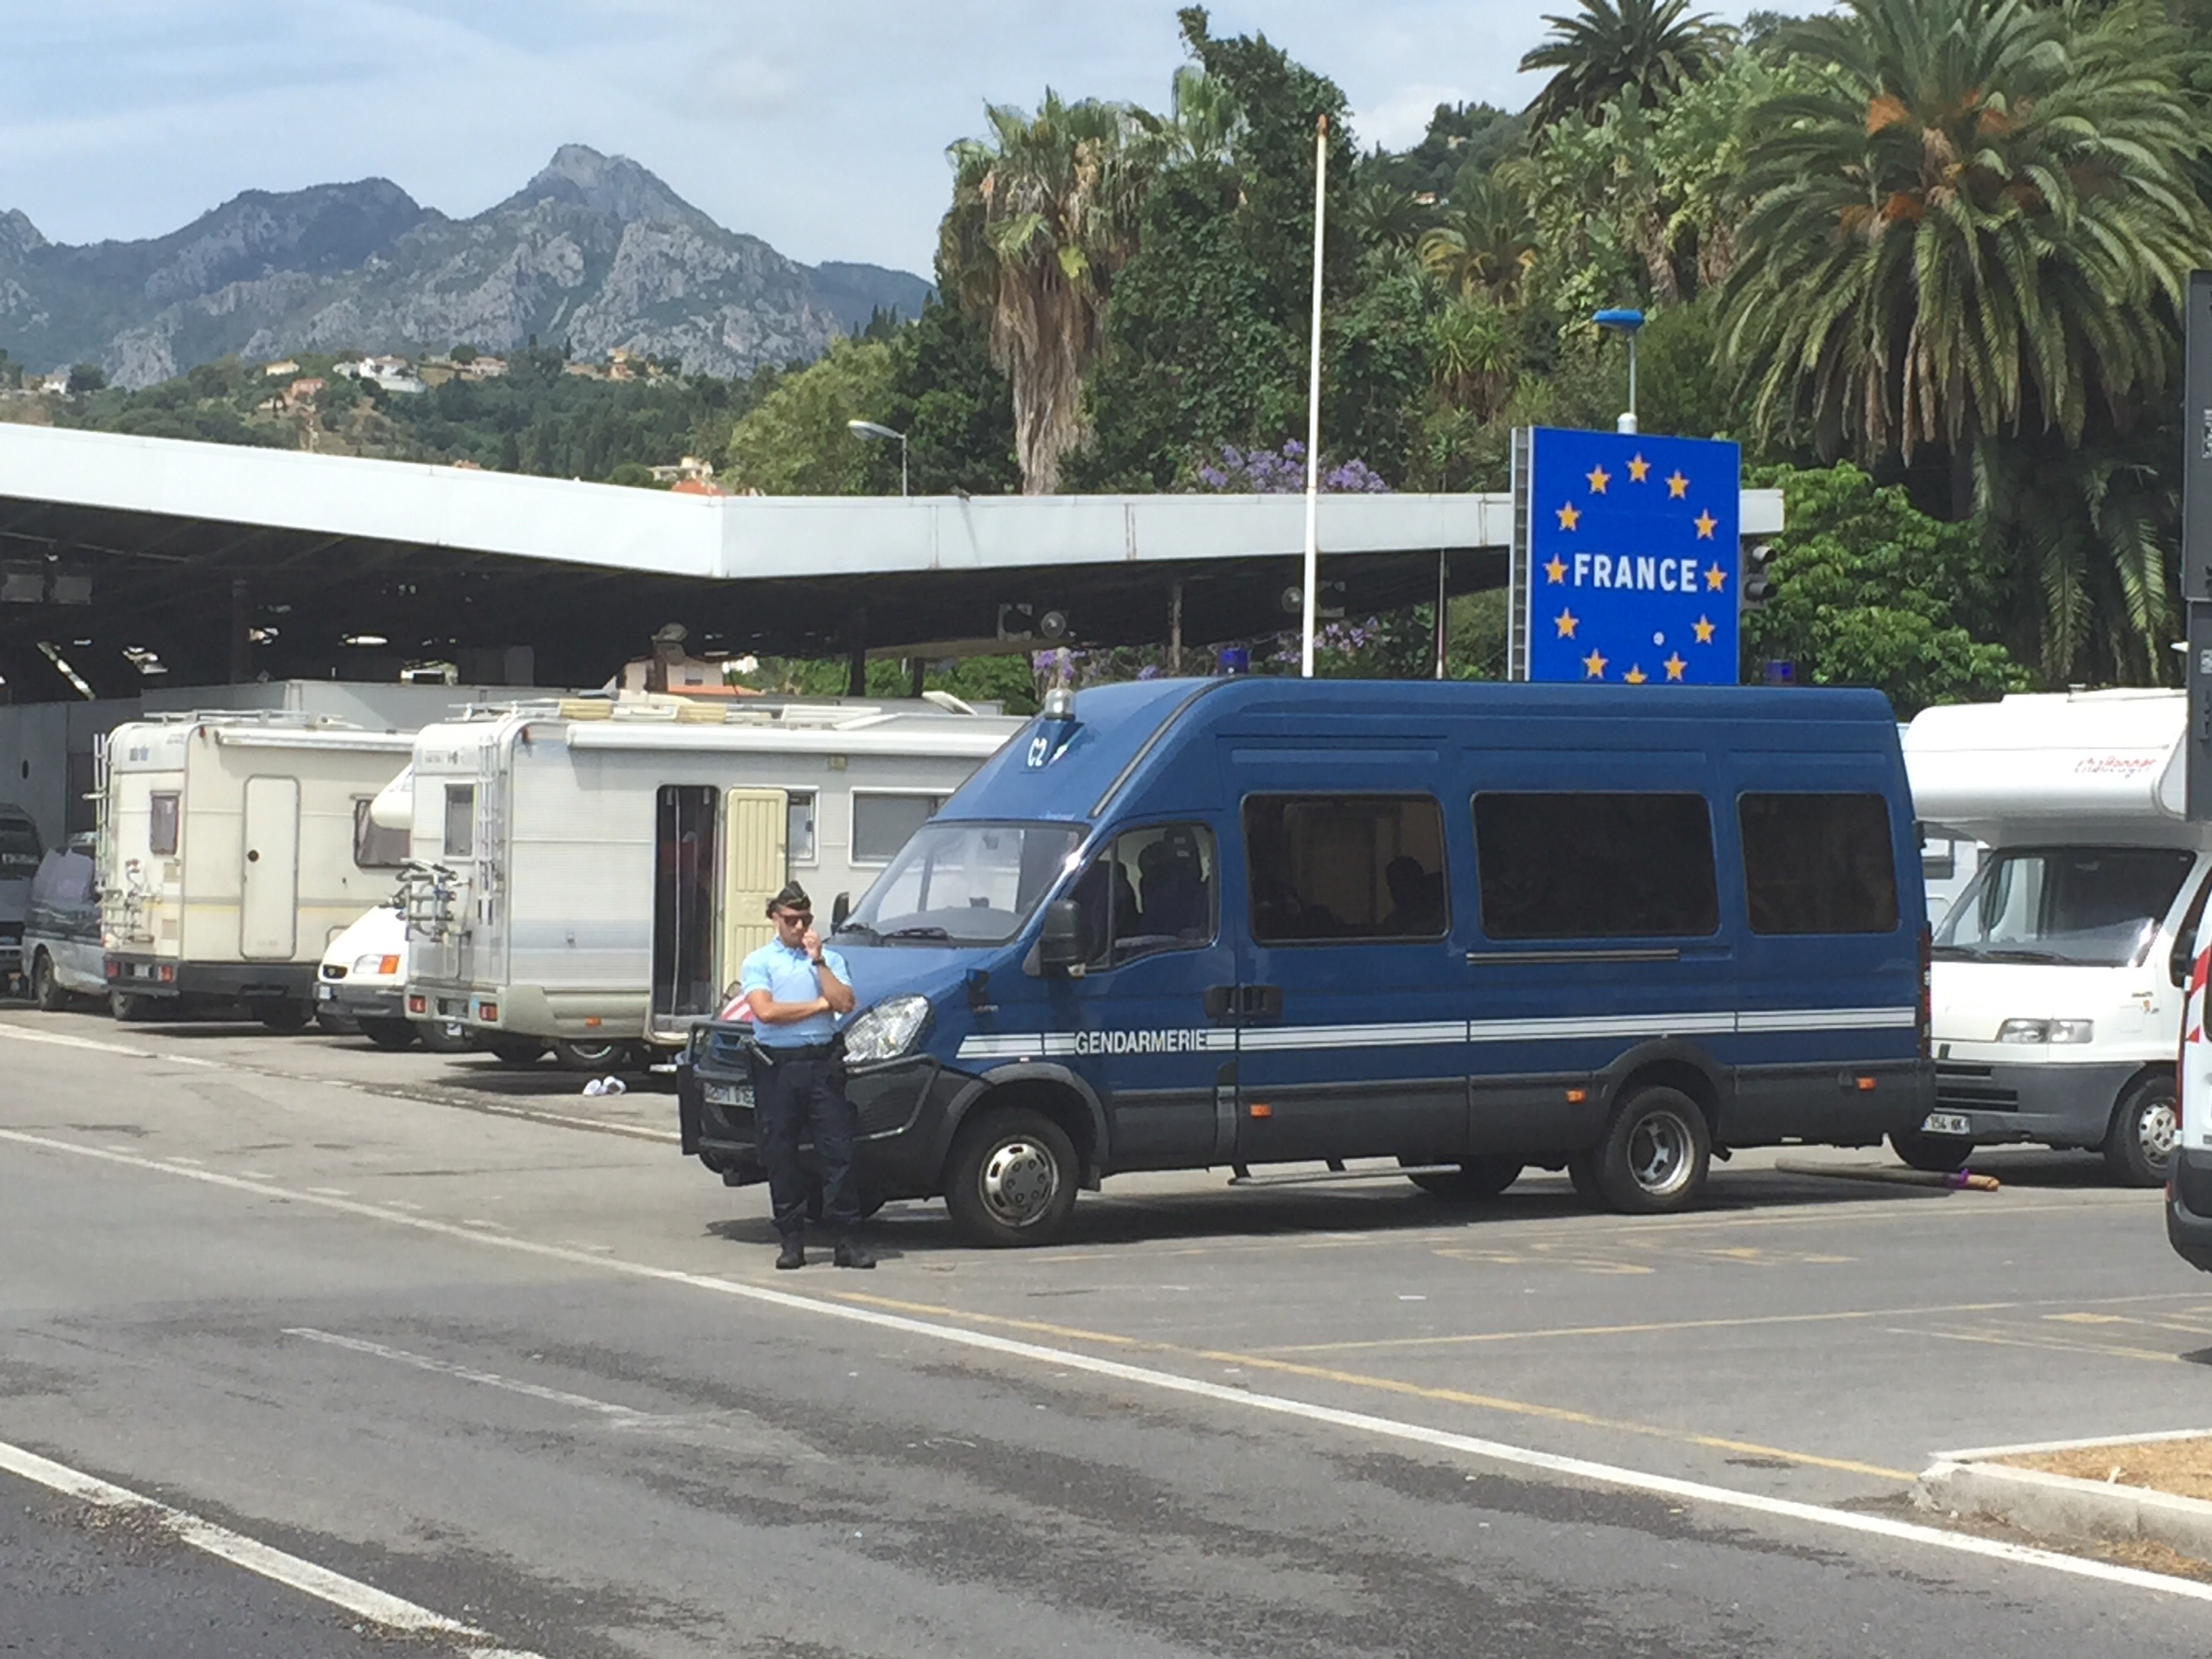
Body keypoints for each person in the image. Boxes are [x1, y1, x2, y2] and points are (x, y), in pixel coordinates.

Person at [740, 882, 872, 1270]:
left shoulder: (828, 959)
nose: (799, 928)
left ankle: (846, 1240)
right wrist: (819, 1004)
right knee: (781, 1154)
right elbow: (766, 1012)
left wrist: (817, 962)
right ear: (775, 919)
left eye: (805, 920)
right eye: (791, 920)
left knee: (838, 1152)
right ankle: (791, 1239)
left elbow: (845, 1002)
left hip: (821, 1063)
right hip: (778, 1067)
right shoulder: (760, 962)